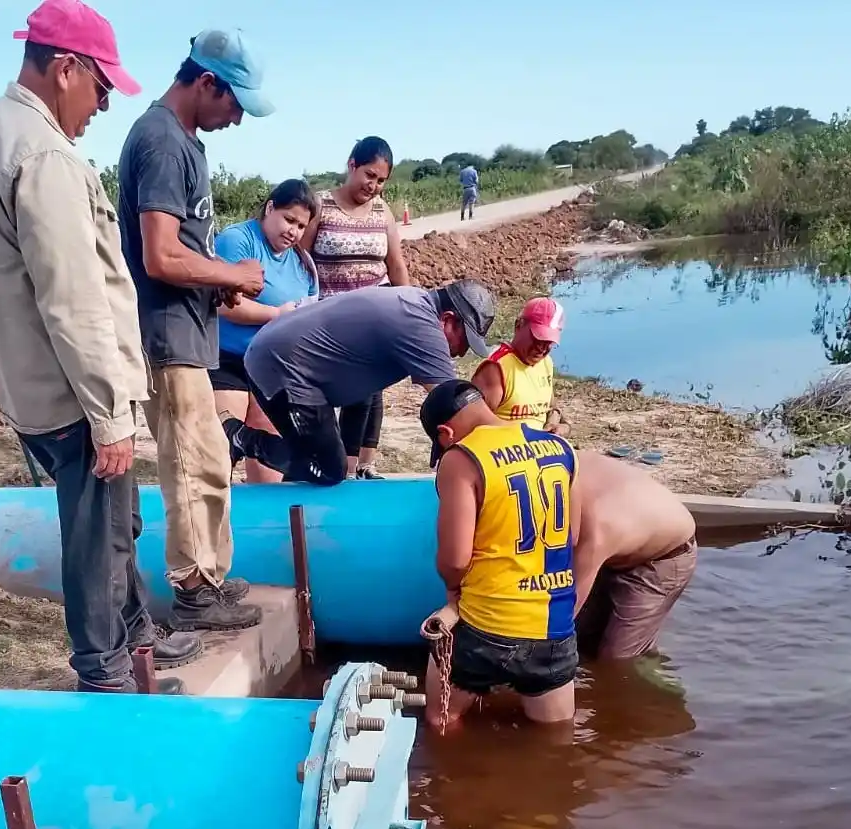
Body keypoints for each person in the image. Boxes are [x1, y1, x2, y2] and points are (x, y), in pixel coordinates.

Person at [0, 0, 197, 694]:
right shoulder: (45, 156)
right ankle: (104, 671)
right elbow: (72, 299)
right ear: (65, 69)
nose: (103, 105)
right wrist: (109, 415)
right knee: (96, 538)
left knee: (118, 522)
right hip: (72, 392)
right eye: (100, 86)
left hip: (31, 379)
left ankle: (137, 635)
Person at [117, 27, 275, 633]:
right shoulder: (161, 141)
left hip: (189, 326)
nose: (236, 119)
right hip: (167, 333)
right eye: (235, 105)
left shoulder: (185, 142)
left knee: (208, 459)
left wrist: (216, 283)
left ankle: (207, 574)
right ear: (207, 83)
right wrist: (231, 271)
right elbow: (159, 255)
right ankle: (192, 590)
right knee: (189, 461)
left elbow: (184, 249)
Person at [418, 379, 583, 731]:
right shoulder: (560, 447)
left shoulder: (461, 458)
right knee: (555, 740)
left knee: (442, 720)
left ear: (445, 433)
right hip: (555, 632)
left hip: (486, 628)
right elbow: (572, 538)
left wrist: (453, 592)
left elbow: (455, 559)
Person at [222, 279, 495, 485]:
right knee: (327, 469)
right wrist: (500, 449)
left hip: (285, 360)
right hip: (283, 367)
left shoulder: (413, 302)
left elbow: (366, 394)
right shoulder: (420, 325)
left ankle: (294, 522)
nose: (462, 352)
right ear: (448, 320)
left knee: (316, 462)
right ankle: (237, 436)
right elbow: (456, 407)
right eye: (465, 341)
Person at [302, 136, 412, 480]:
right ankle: (335, 466)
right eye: (369, 175)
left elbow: (396, 264)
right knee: (340, 393)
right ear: (352, 165)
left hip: (374, 320)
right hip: (328, 321)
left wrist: (410, 308)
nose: (373, 186)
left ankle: (363, 466)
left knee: (370, 390)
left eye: (381, 180)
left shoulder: (382, 211)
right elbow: (299, 258)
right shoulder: (321, 205)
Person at [211, 179, 319, 484]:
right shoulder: (236, 240)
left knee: (268, 460)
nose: (293, 231)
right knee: (220, 451)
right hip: (228, 359)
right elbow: (223, 305)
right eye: (289, 219)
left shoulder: (303, 263)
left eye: (301, 226)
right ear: (270, 208)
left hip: (274, 365)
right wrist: (277, 315)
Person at [572, 451, 697, 660]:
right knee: (584, 638)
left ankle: (651, 668)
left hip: (664, 556)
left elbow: (567, 610)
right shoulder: (550, 464)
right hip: (625, 535)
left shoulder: (599, 530)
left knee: (617, 659)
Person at [471, 296, 571, 437]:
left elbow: (551, 408)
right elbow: (473, 424)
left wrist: (557, 427)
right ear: (518, 326)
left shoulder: (546, 363)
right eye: (538, 338)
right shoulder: (497, 370)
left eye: (549, 342)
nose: (542, 348)